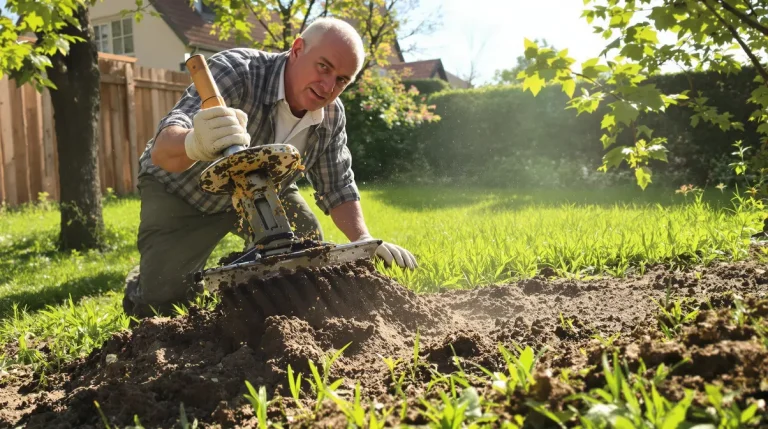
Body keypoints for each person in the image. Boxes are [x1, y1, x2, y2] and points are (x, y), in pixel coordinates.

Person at [122, 17, 417, 318]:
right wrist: (194, 144)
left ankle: (266, 308)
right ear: (298, 48)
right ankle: (142, 280)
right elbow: (162, 149)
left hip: (263, 194)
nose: (328, 86)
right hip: (182, 190)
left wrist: (363, 241)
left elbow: (338, 185)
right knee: (163, 299)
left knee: (306, 252)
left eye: (342, 80)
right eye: (324, 67)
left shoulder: (330, 116)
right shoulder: (238, 71)